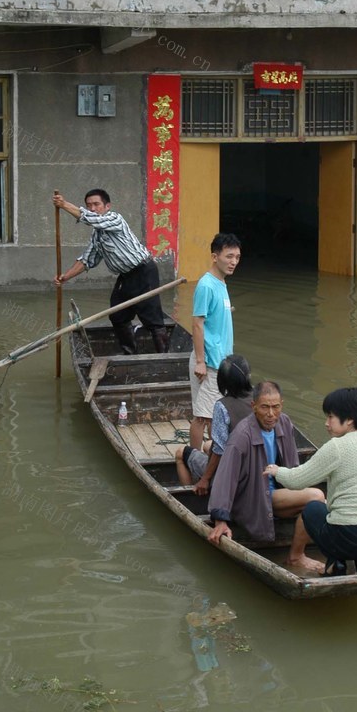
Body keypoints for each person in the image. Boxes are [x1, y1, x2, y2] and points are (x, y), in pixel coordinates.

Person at [264, 387, 357, 577]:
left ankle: (336, 562)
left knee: (313, 508)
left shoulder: (336, 447)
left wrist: (276, 471)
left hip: (348, 540)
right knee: (351, 520)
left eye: (331, 417)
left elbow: (296, 480)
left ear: (349, 420)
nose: (326, 423)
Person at [208, 380, 325, 573]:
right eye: (265, 407)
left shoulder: (285, 422)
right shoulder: (241, 436)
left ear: (282, 405)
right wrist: (220, 519)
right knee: (317, 497)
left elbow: (293, 465)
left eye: (275, 407)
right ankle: (296, 557)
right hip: (253, 497)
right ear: (253, 406)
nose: (271, 414)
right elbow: (225, 477)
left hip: (280, 491)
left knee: (324, 503)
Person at [53, 189, 168, 354]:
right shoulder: (97, 235)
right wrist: (65, 277)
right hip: (125, 277)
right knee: (117, 316)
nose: (92, 208)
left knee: (152, 319)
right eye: (89, 205)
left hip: (144, 272)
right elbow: (87, 260)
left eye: (96, 204)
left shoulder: (115, 219)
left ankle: (163, 358)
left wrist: (63, 205)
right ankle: (130, 353)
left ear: (107, 206)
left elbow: (89, 218)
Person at [189, 233, 242, 450]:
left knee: (215, 415)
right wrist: (201, 361)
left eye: (237, 257)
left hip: (221, 362)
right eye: (229, 256)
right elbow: (197, 324)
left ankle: (213, 458)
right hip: (209, 362)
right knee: (202, 416)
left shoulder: (221, 283)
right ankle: (192, 457)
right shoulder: (206, 285)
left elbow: (212, 318)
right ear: (214, 256)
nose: (233, 262)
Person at [176, 353, 253, 494]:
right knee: (207, 445)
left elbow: (219, 449)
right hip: (251, 462)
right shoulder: (259, 398)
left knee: (181, 453)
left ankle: (190, 495)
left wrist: (205, 479)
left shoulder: (222, 406)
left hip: (230, 469)